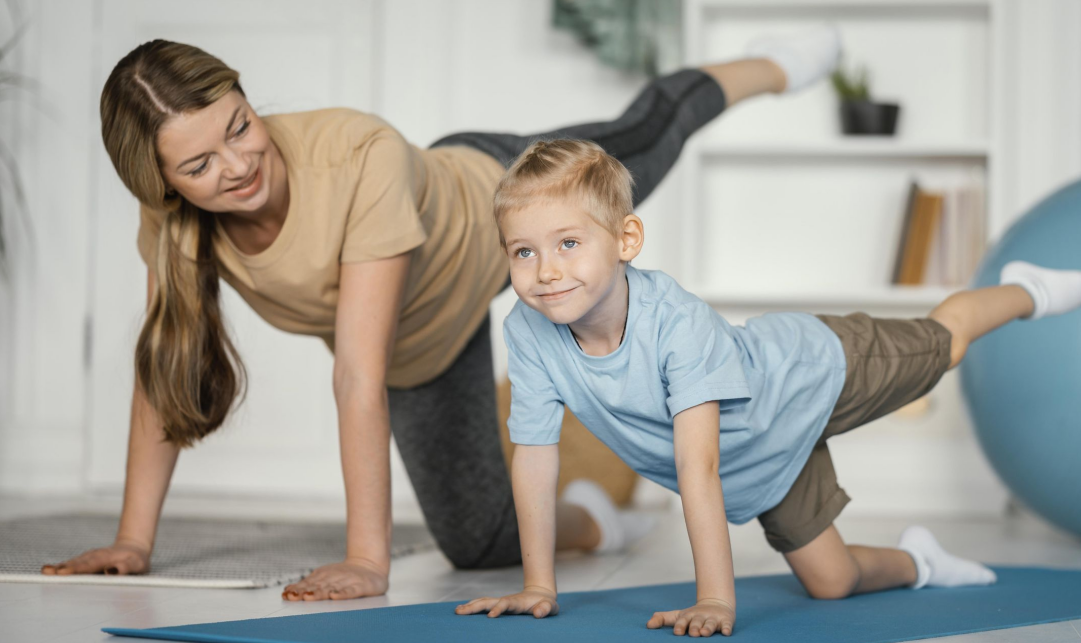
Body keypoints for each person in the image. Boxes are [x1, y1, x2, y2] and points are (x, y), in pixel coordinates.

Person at [38, 27, 847, 602]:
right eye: (200, 164)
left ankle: (770, 64)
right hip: (428, 339)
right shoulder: (174, 224)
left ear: (248, 97)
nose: (239, 163)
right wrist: (133, 541)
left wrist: (366, 557)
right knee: (478, 543)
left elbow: (357, 372)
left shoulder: (357, 156)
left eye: (240, 127)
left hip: (497, 205)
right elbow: (165, 371)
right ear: (162, 183)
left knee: (652, 128)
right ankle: (603, 509)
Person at [454, 139, 1081, 636]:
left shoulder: (676, 324)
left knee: (945, 344)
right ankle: (920, 562)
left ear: (626, 240)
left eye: (567, 242)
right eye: (524, 252)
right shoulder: (530, 332)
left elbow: (697, 468)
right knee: (832, 582)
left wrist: (714, 598)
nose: (546, 272)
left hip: (812, 370)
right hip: (764, 459)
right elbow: (535, 458)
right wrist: (539, 585)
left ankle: (1027, 291)